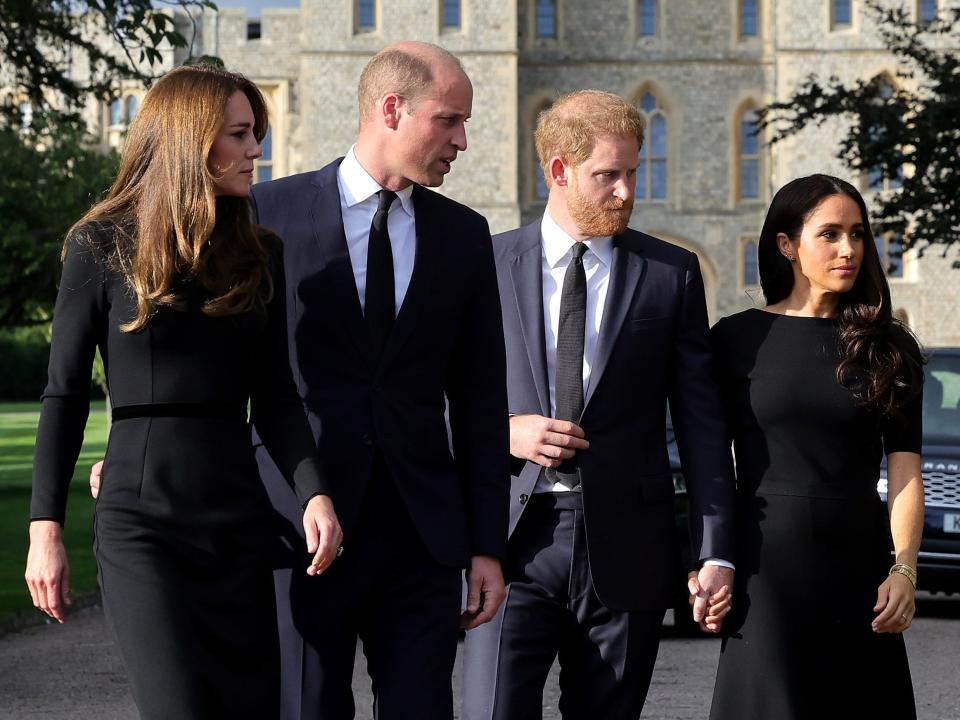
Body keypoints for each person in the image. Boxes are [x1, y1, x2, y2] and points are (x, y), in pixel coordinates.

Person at [25, 64, 342, 720]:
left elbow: (277, 395)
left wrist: (313, 491)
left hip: (239, 520)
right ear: (191, 142)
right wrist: (44, 528)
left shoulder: (262, 253)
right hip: (142, 526)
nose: (258, 150)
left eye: (257, 133)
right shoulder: (99, 244)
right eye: (241, 135)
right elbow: (64, 395)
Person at [249, 42, 510, 719]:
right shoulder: (266, 213)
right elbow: (223, 363)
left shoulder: (464, 235)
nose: (461, 140)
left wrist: (486, 545)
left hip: (422, 536)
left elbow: (482, 401)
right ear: (391, 109)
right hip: (302, 527)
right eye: (449, 121)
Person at [461, 89, 737, 720]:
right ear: (559, 171)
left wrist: (714, 546)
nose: (625, 191)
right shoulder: (487, 263)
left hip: (627, 545)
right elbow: (432, 397)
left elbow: (700, 422)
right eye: (606, 176)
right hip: (511, 542)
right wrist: (503, 431)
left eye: (632, 173)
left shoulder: (672, 274)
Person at [708, 174, 924, 720]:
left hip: (859, 567)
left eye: (857, 234)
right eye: (830, 234)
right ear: (787, 245)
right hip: (764, 570)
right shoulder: (734, 340)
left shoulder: (890, 348)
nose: (848, 249)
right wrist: (709, 560)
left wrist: (904, 569)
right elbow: (709, 461)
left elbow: (904, 472)